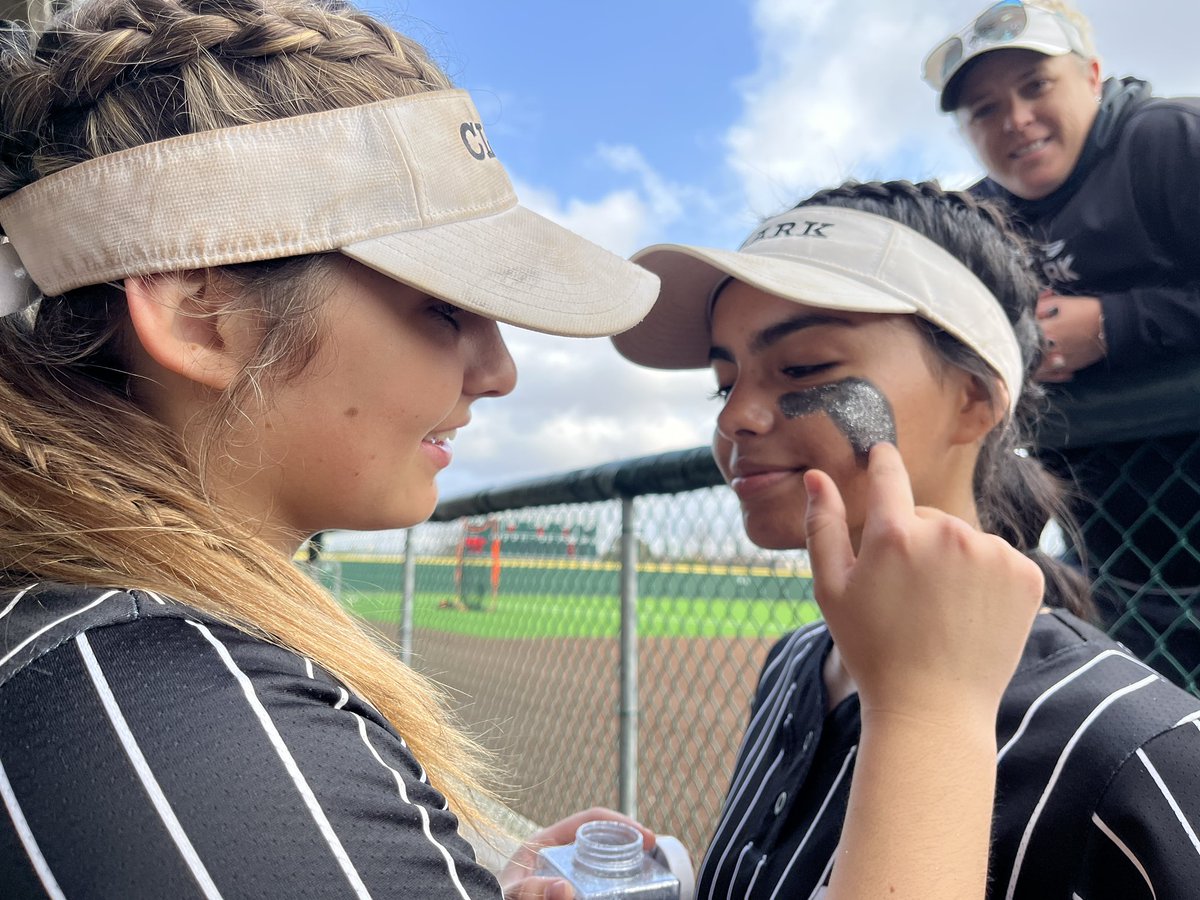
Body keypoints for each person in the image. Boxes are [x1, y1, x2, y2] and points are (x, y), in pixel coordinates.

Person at [0, 1, 1044, 898]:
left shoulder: (98, 650)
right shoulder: (177, 715)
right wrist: (936, 717)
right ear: (201, 317)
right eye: (443, 309)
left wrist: (425, 863)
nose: (499, 372)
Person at [612, 179, 1200, 899]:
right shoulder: (797, 662)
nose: (736, 417)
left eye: (803, 368)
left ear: (975, 400)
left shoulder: (1136, 746)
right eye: (723, 382)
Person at [922, 0, 1200, 689]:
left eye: (1035, 85)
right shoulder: (977, 223)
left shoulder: (1171, 142)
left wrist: (1113, 324)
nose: (1014, 119)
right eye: (983, 110)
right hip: (1112, 554)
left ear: (1093, 76)